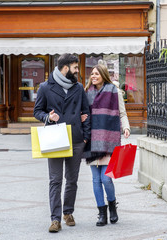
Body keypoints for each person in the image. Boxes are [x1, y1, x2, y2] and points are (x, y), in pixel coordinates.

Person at [34, 54, 91, 233]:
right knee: (55, 180)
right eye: (75, 68)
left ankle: (68, 212)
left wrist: (85, 136)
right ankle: (55, 219)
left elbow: (86, 112)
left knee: (72, 180)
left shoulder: (79, 87)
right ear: (65, 67)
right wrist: (47, 117)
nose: (77, 71)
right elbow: (37, 111)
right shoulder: (45, 87)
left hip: (75, 138)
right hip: (55, 138)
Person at [82, 64, 130, 227]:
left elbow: (122, 113)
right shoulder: (86, 92)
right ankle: (102, 213)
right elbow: (83, 113)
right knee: (96, 180)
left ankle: (112, 206)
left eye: (96, 74)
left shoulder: (114, 91)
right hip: (91, 139)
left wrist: (126, 127)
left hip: (109, 139)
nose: (93, 76)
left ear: (103, 75)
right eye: (92, 74)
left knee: (106, 179)